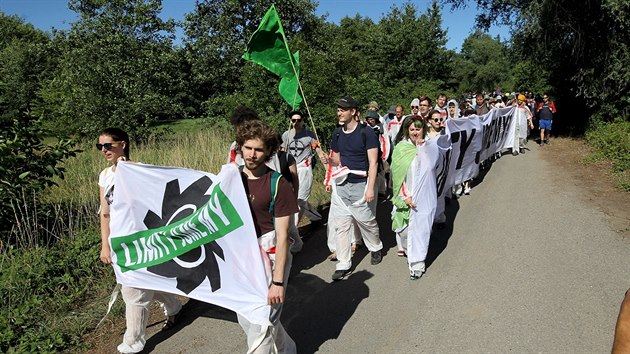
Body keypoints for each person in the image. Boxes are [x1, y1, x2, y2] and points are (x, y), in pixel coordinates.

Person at [97, 128, 182, 354]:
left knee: (132, 290)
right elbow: (105, 213)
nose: (104, 150)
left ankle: (132, 343)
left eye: (108, 145)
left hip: (139, 239)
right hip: (118, 241)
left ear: (122, 144)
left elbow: (154, 203)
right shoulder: (105, 176)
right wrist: (105, 244)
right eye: (100, 146)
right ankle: (173, 305)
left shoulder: (138, 169)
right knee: (141, 282)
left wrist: (128, 170)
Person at [235, 120, 297, 354]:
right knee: (247, 319)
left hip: (270, 257)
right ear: (240, 147)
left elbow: (282, 237)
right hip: (241, 258)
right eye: (248, 147)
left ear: (269, 151)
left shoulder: (278, 184)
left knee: (261, 323)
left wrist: (278, 282)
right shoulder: (231, 179)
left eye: (259, 149)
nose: (252, 154)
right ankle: (287, 348)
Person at [320, 96, 384, 281]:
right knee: (342, 226)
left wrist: (370, 188)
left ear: (353, 111)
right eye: (338, 109)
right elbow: (338, 160)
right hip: (342, 185)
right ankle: (343, 264)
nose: (339, 112)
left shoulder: (367, 132)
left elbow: (373, 162)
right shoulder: (337, 133)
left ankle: (376, 246)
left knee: (366, 221)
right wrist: (329, 160)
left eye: (343, 109)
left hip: (360, 184)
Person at [228, 106, 303, 253]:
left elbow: (274, 167)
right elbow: (230, 166)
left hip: (266, 188)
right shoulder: (234, 146)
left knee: (282, 227)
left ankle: (290, 246)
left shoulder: (265, 146)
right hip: (244, 187)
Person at [281, 110, 324, 240]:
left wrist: (327, 168)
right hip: (291, 170)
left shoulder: (309, 135)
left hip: (305, 169)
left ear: (303, 121)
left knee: (299, 200)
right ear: (290, 121)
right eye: (293, 120)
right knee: (294, 199)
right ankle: (316, 217)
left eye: (299, 120)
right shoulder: (286, 135)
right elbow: (283, 152)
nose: (296, 122)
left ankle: (291, 232)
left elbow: (318, 150)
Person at [391, 115, 425, 259]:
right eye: (412, 129)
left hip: (422, 194)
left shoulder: (427, 146)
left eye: (418, 129)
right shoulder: (401, 148)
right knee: (403, 230)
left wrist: (423, 147)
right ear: (406, 130)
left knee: (420, 230)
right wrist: (405, 196)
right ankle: (406, 249)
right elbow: (398, 177)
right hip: (406, 195)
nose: (415, 132)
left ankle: (417, 257)